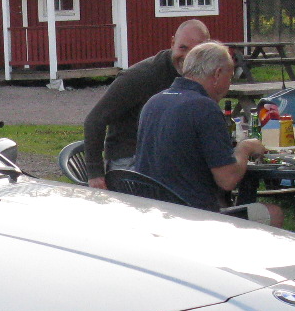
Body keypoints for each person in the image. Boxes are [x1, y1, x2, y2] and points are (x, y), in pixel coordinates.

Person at [131, 41, 278, 223]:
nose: (229, 85)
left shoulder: (154, 102)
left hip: (151, 211)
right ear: (217, 74)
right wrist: (245, 148)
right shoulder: (203, 107)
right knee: (273, 213)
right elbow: (227, 180)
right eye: (229, 77)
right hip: (191, 216)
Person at [82, 19, 210, 187]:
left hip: (166, 155)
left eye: (196, 52)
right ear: (172, 43)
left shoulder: (204, 76)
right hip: (131, 161)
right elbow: (94, 120)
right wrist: (95, 173)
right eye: (183, 48)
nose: (187, 57)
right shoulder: (142, 76)